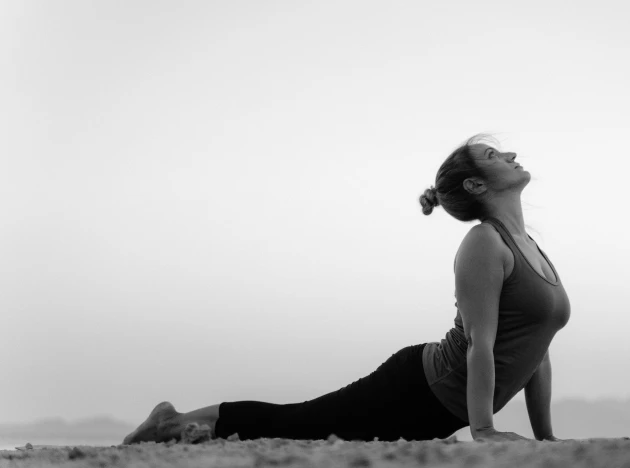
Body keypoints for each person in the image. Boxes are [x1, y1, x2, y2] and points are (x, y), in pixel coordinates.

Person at [122, 133, 572, 446]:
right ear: (475, 184)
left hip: (442, 409)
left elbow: (536, 350)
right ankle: (174, 421)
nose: (510, 153)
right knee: (302, 423)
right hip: (420, 387)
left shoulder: (528, 246)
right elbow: (480, 344)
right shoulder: (484, 243)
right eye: (494, 155)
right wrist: (485, 430)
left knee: (305, 424)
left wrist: (545, 435)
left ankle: (190, 428)